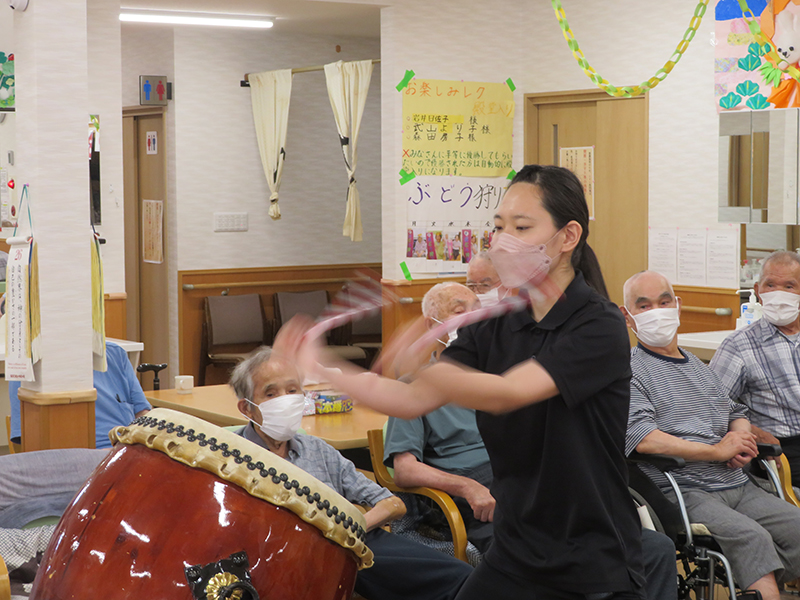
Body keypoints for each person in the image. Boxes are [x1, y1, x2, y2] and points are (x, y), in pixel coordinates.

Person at [275, 164, 646, 599]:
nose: (503, 241)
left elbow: (509, 393)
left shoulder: (598, 324)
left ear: (568, 237)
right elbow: (410, 399)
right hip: (517, 546)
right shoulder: (494, 324)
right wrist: (320, 365)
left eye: (522, 227)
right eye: (499, 226)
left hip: (591, 554)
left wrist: (430, 369)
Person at [230, 347, 473, 600]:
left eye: (292, 390)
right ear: (247, 408)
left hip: (352, 543)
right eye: (271, 393)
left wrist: (349, 529)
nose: (285, 399)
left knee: (461, 579)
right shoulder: (231, 456)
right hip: (279, 555)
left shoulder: (318, 450)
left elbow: (393, 504)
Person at [622, 270, 800, 600]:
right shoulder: (628, 371)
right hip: (684, 489)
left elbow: (735, 411)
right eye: (644, 306)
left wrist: (741, 440)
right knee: (753, 538)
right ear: (627, 316)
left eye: (664, 302)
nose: (657, 312)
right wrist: (717, 452)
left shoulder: (697, 366)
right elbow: (645, 439)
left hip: (736, 482)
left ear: (677, 305)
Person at [383, 282, 494, 554]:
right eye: (459, 311)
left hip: (514, 476)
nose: (472, 318)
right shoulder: (414, 387)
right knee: (523, 544)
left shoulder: (496, 379)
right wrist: (467, 487)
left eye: (477, 310)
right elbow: (405, 470)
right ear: (432, 325)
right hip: (471, 487)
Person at [710, 251, 800, 487]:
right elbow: (712, 406)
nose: (778, 294)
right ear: (758, 291)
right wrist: (753, 433)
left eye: (789, 286)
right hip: (783, 450)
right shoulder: (739, 345)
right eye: (770, 285)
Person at [9, 341, 151, 449]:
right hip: (77, 458)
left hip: (128, 450)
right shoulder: (28, 363)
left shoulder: (115, 353)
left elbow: (143, 413)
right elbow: (27, 445)